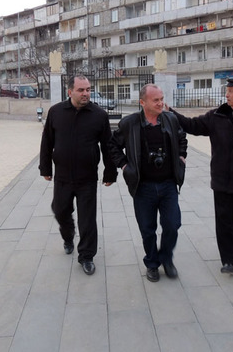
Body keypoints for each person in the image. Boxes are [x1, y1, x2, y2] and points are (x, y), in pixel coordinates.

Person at [169, 77, 233, 274]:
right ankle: (228, 260)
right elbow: (192, 125)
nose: (227, 94)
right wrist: (171, 113)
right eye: (227, 90)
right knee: (224, 219)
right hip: (221, 178)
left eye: (231, 91)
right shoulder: (217, 115)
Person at [39, 76, 117, 275]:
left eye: (88, 90)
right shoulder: (56, 112)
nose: (86, 94)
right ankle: (68, 236)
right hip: (62, 176)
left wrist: (110, 171)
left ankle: (87, 256)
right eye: (81, 90)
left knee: (87, 219)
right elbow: (47, 141)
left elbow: (108, 146)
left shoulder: (99, 115)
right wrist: (45, 168)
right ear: (70, 92)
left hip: (87, 177)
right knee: (60, 210)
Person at [109, 84, 187, 282]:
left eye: (161, 99)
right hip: (143, 186)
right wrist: (124, 166)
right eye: (156, 100)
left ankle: (166, 259)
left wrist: (181, 157)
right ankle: (152, 264)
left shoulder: (171, 119)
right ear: (142, 102)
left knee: (172, 224)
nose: (161, 103)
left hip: (168, 184)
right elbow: (112, 145)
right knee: (147, 228)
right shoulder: (129, 124)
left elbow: (182, 138)